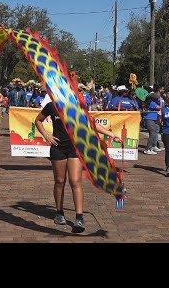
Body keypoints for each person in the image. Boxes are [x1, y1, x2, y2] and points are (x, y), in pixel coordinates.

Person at [35, 100, 120, 233]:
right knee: (59, 181)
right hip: (58, 148)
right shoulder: (52, 106)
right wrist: (46, 135)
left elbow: (92, 123)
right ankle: (59, 212)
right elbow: (38, 120)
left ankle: (79, 218)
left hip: (76, 148)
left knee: (75, 181)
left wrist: (111, 134)